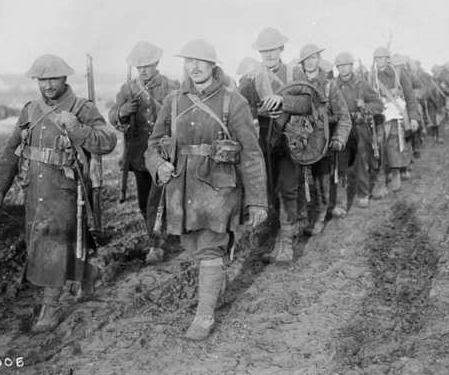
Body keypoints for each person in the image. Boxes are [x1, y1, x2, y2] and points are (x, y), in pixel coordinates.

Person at [145, 39, 267, 340]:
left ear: (213, 65)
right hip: (182, 189)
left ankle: (204, 316)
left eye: (201, 61)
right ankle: (215, 283)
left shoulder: (233, 100)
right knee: (193, 248)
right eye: (189, 61)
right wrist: (159, 166)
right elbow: (152, 145)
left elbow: (251, 153)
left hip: (220, 187)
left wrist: (257, 201)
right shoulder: (173, 101)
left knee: (210, 247)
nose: (195, 67)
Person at [0, 54, 117, 332]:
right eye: (42, 79)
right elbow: (12, 150)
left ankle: (51, 306)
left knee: (54, 244)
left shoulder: (82, 108)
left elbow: (108, 140)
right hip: (35, 191)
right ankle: (88, 275)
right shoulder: (30, 110)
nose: (47, 85)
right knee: (48, 243)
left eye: (52, 79)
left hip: (68, 192)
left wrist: (76, 127)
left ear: (65, 78)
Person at [238, 28, 312, 263]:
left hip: (291, 140)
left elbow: (308, 102)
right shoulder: (251, 77)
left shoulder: (294, 71)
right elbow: (242, 108)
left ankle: (286, 244)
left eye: (273, 49)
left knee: (289, 190)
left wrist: (283, 100)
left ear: (281, 49)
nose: (269, 54)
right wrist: (257, 111)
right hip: (263, 143)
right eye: (264, 50)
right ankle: (272, 238)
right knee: (267, 191)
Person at [108, 41, 179, 264]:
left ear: (156, 63)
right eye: (140, 67)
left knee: (159, 199)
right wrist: (122, 111)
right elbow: (112, 116)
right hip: (139, 155)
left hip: (162, 153)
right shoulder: (127, 89)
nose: (143, 71)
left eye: (147, 66)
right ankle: (155, 235)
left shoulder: (170, 86)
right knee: (143, 200)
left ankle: (157, 243)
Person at [292, 45, 351, 234]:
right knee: (298, 183)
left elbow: (344, 116)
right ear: (302, 63)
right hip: (298, 143)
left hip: (321, 143)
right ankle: (300, 218)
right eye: (307, 59)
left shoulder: (328, 85)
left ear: (319, 60)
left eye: (314, 57)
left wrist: (338, 139)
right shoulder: (294, 85)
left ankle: (318, 217)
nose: (310, 62)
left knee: (321, 182)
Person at [334, 52, 384, 210]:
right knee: (340, 163)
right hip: (341, 130)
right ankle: (341, 202)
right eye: (340, 66)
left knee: (362, 160)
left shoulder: (362, 84)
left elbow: (378, 105)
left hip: (360, 127)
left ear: (351, 66)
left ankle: (363, 193)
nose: (343, 69)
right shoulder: (332, 86)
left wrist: (365, 107)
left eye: (346, 65)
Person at [370, 46, 420, 194]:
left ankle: (395, 172)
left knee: (393, 143)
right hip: (378, 114)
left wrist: (413, 117)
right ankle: (381, 177)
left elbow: (410, 96)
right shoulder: (371, 75)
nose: (379, 61)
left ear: (388, 58)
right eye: (377, 58)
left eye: (382, 58)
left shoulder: (398, 73)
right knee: (378, 145)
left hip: (395, 113)